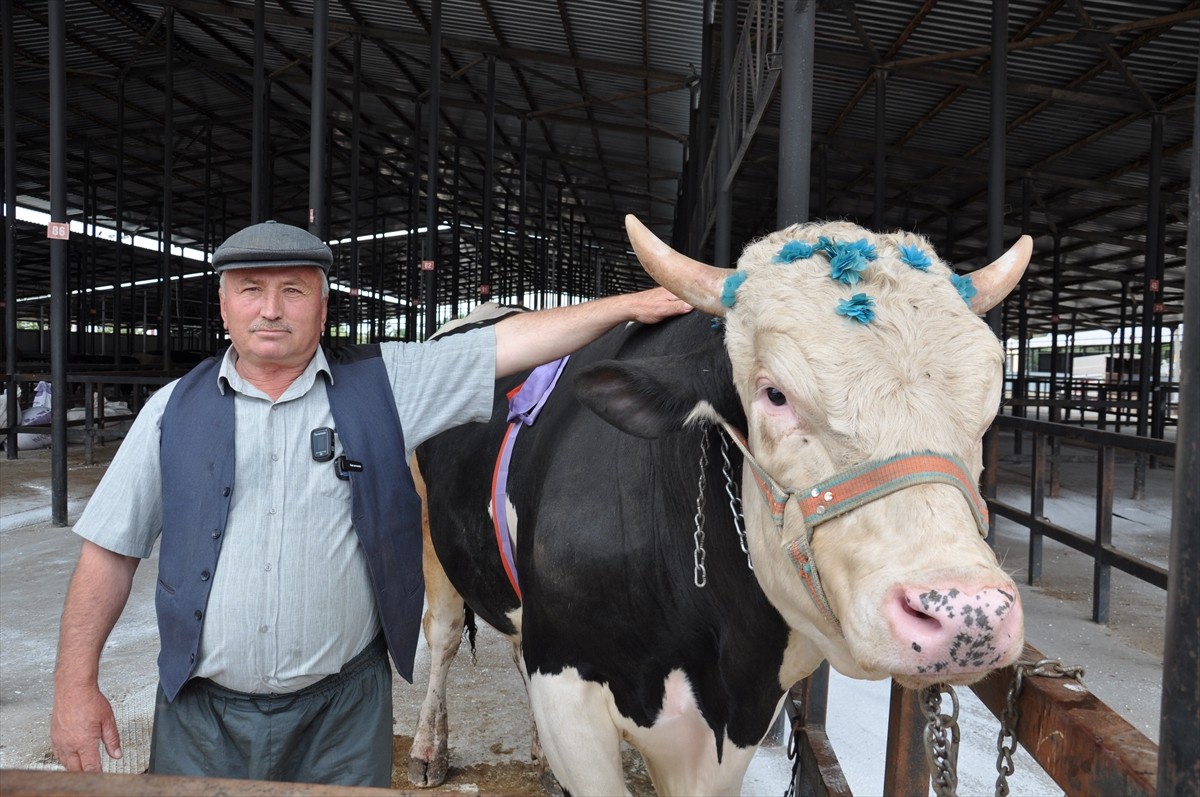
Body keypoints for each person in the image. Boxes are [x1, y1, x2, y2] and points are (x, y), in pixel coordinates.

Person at [49, 219, 689, 786]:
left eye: (293, 291)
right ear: (224, 306)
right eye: (251, 290)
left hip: (341, 714)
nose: (271, 310)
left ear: (323, 308)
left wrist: (633, 304)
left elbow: (510, 344)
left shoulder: (388, 387)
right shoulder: (169, 414)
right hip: (199, 714)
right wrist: (74, 685)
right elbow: (110, 553)